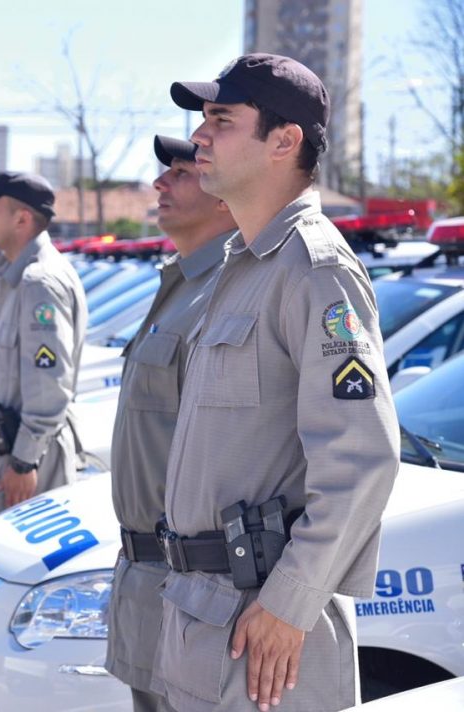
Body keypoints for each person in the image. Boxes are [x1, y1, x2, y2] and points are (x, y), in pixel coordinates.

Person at [151, 54, 399, 712]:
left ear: (284, 141)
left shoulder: (315, 268)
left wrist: (290, 604)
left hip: (264, 633)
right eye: (203, 120)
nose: (200, 136)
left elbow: (363, 457)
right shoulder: (246, 265)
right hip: (204, 617)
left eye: (222, 120)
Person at [105, 135, 237, 712]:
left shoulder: (227, 290)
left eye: (181, 173)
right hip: (147, 575)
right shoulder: (182, 283)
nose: (160, 183)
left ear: (224, 197)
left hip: (188, 579)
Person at [0, 172, 86, 526]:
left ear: (22, 218)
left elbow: (50, 382)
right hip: (10, 452)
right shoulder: (10, 274)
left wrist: (24, 460)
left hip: (30, 460)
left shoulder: (40, 281)